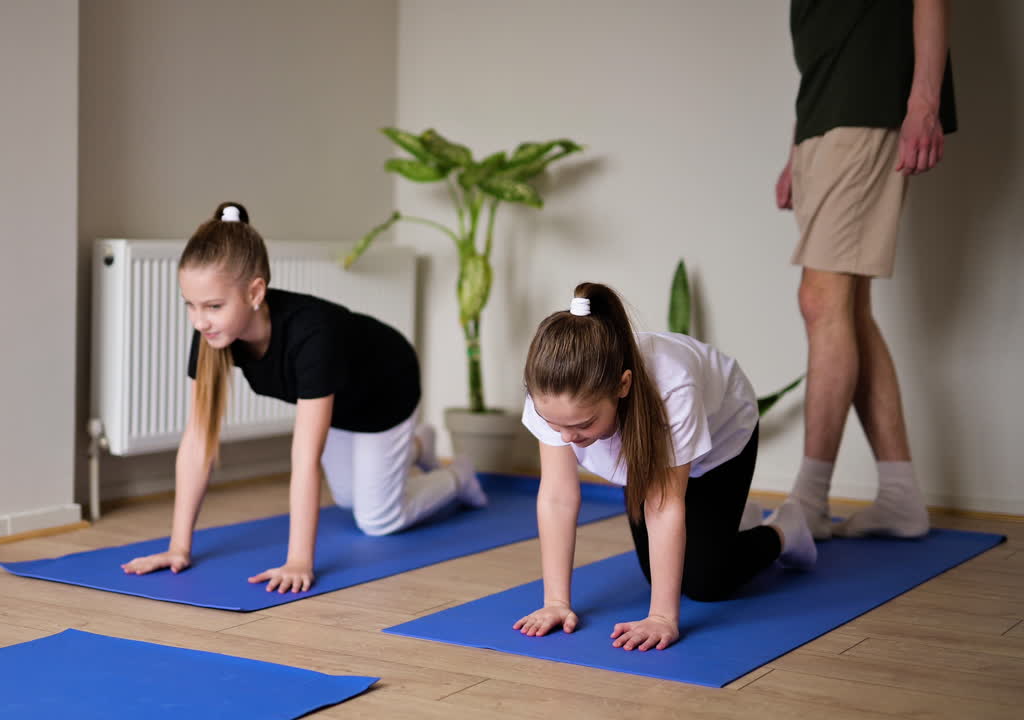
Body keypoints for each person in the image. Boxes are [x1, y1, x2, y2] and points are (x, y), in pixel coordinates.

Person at [121, 202, 486, 593]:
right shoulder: (212, 334)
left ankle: (458, 475)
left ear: (255, 292)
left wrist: (299, 561)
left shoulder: (311, 335)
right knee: (347, 498)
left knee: (377, 519)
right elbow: (197, 442)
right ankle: (415, 447)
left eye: (213, 306)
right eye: (190, 305)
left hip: (386, 389)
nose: (199, 320)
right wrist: (178, 548)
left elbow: (305, 458)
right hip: (338, 401)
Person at [512, 283, 816, 650]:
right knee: (654, 572)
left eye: (583, 424)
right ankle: (728, 525)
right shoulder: (550, 392)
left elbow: (664, 504)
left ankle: (786, 529)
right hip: (642, 445)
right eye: (556, 425)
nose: (567, 438)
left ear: (623, 385)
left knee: (706, 583)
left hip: (723, 432)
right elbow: (557, 497)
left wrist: (662, 617)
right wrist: (556, 602)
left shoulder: (671, 389)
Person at [776, 0, 956, 539]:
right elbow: (823, 40)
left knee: (820, 299)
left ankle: (809, 499)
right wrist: (797, 145)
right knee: (848, 308)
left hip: (867, 100)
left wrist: (924, 100)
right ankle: (901, 498)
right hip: (823, 111)